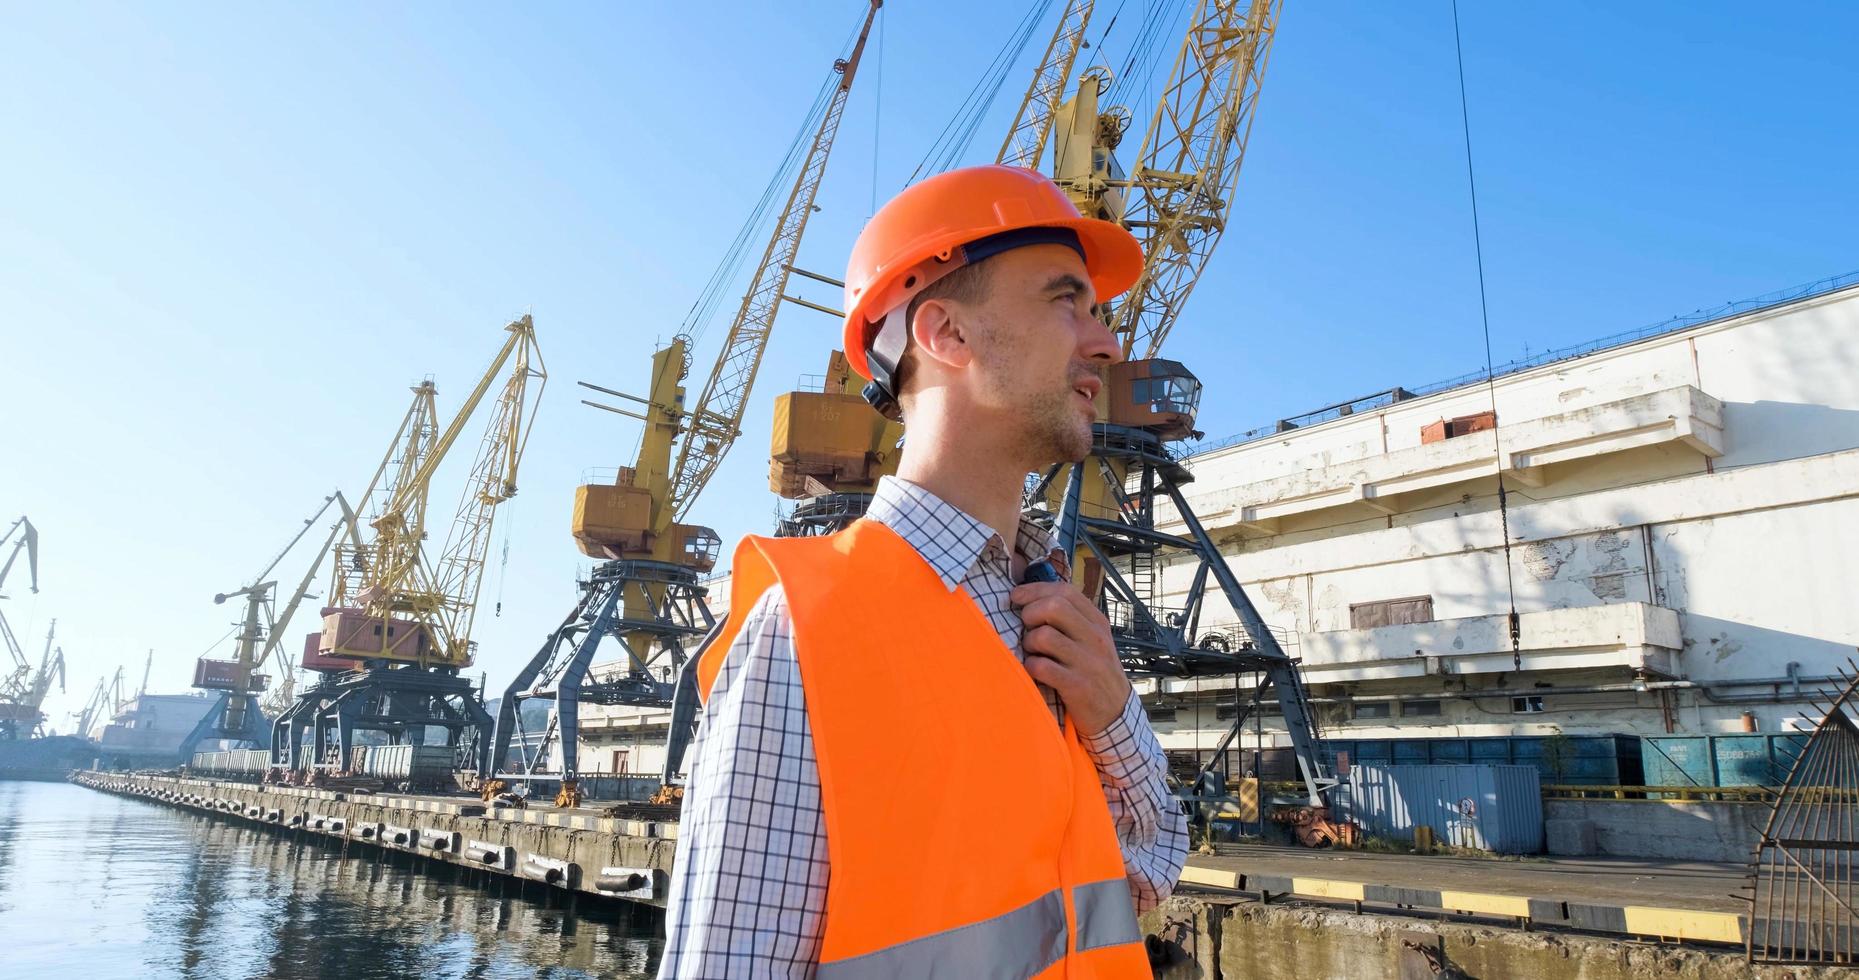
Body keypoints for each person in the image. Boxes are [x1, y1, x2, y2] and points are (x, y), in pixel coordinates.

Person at [659, 165, 1189, 977]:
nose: (1107, 342)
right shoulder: (803, 633)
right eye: (1065, 301)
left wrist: (1114, 712)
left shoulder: (1048, 606)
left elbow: (1149, 868)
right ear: (945, 334)